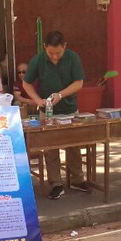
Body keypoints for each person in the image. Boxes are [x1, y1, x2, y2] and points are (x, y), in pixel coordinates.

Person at [23, 31, 88, 199]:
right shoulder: (38, 60)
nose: (54, 57)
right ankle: (56, 183)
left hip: (70, 109)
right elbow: (26, 83)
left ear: (65, 46)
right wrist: (37, 100)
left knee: (74, 145)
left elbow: (79, 83)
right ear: (45, 47)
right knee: (51, 148)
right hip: (48, 112)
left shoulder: (73, 58)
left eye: (58, 53)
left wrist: (60, 95)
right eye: (51, 53)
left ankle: (77, 179)